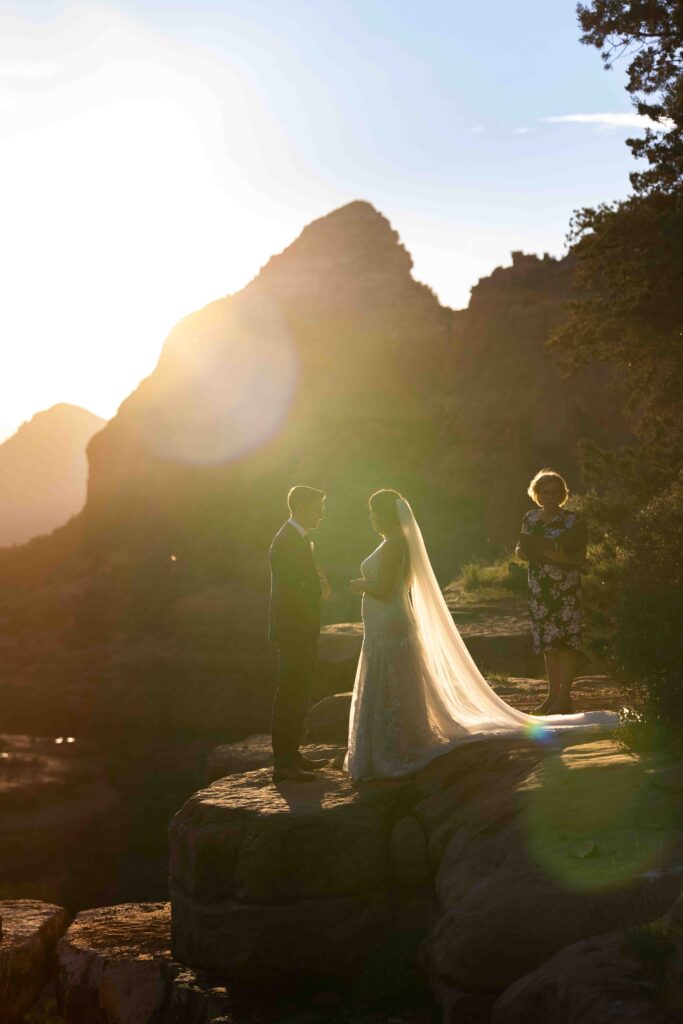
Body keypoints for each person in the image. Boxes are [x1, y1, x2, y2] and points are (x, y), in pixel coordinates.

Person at [344, 489, 614, 783]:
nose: (370, 517)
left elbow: (383, 589)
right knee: (394, 679)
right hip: (388, 622)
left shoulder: (394, 546)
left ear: (383, 513)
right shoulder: (397, 544)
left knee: (390, 677)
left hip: (389, 623)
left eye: (372, 511)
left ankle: (392, 745)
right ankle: (395, 740)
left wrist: (360, 585)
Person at [268, 485, 332, 783]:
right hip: (293, 631)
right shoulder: (286, 540)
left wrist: (316, 582)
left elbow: (301, 581)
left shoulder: (297, 538)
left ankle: (292, 755)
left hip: (301, 629)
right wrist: (317, 589)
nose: (322, 513)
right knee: (290, 694)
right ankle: (283, 764)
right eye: (319, 506)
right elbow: (293, 588)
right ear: (302, 506)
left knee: (299, 692)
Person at [515, 469, 588, 715]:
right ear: (536, 494)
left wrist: (562, 558)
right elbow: (521, 547)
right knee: (549, 644)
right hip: (540, 589)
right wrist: (521, 553)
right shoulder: (530, 518)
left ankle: (564, 698)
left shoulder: (573, 520)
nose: (550, 496)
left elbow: (581, 557)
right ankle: (551, 697)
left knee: (566, 643)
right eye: (545, 492)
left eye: (556, 492)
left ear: (563, 494)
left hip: (565, 588)